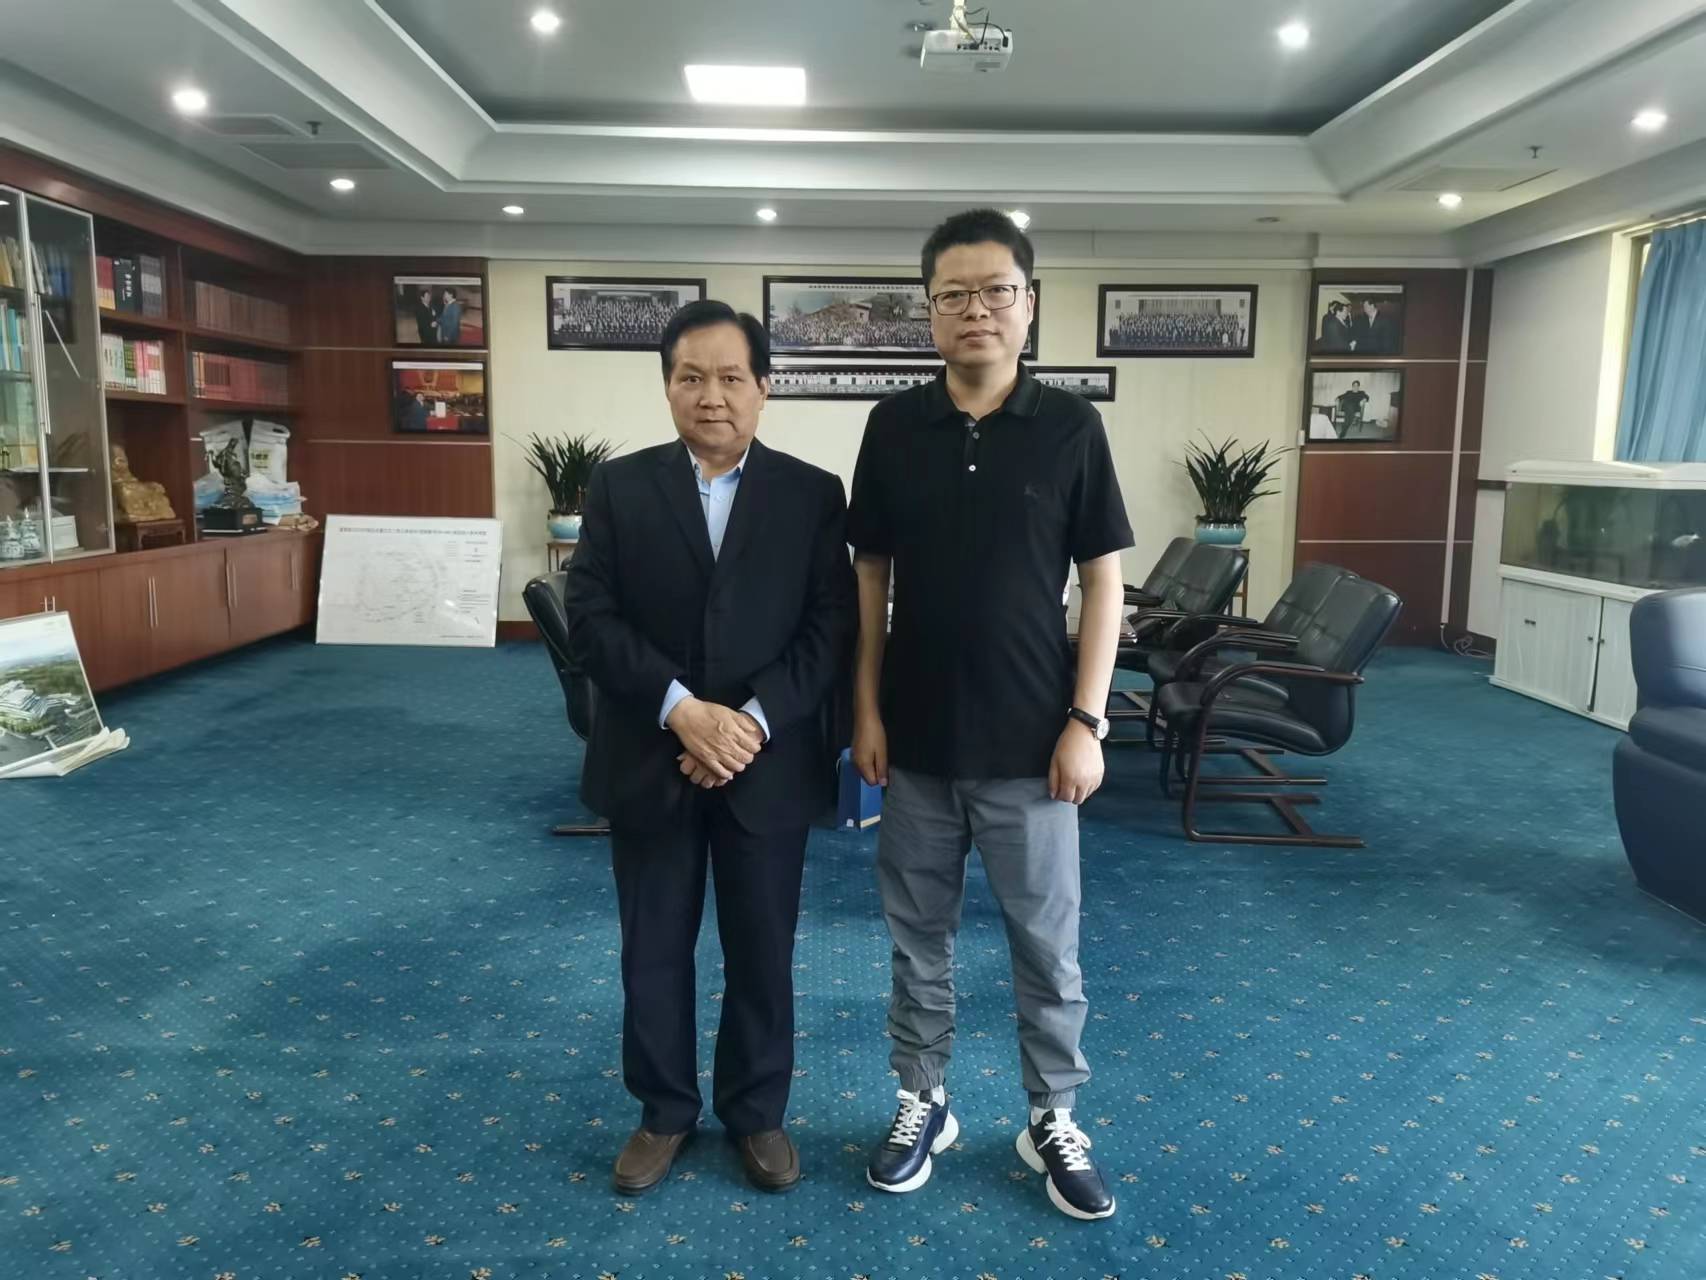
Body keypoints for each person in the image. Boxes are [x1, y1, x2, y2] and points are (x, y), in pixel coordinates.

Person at [847, 209, 1133, 1221]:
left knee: (1045, 948)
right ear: (928, 311)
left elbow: (1103, 583)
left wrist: (1086, 721)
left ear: (1029, 303)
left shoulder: (1070, 427)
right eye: (954, 294)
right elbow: (869, 578)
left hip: (1032, 745)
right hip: (916, 741)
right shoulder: (893, 427)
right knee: (916, 938)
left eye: (996, 290)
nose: (977, 309)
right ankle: (922, 1100)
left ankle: (1051, 1114)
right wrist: (865, 708)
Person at [562, 300, 857, 1199]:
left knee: (762, 950)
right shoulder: (618, 486)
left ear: (765, 388)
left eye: (732, 378)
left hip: (767, 763)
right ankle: (663, 1111)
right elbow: (591, 618)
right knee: (652, 950)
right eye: (691, 377)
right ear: (667, 387)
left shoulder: (812, 494)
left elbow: (829, 628)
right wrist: (682, 712)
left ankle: (757, 1112)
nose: (712, 396)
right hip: (651, 755)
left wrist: (748, 724)